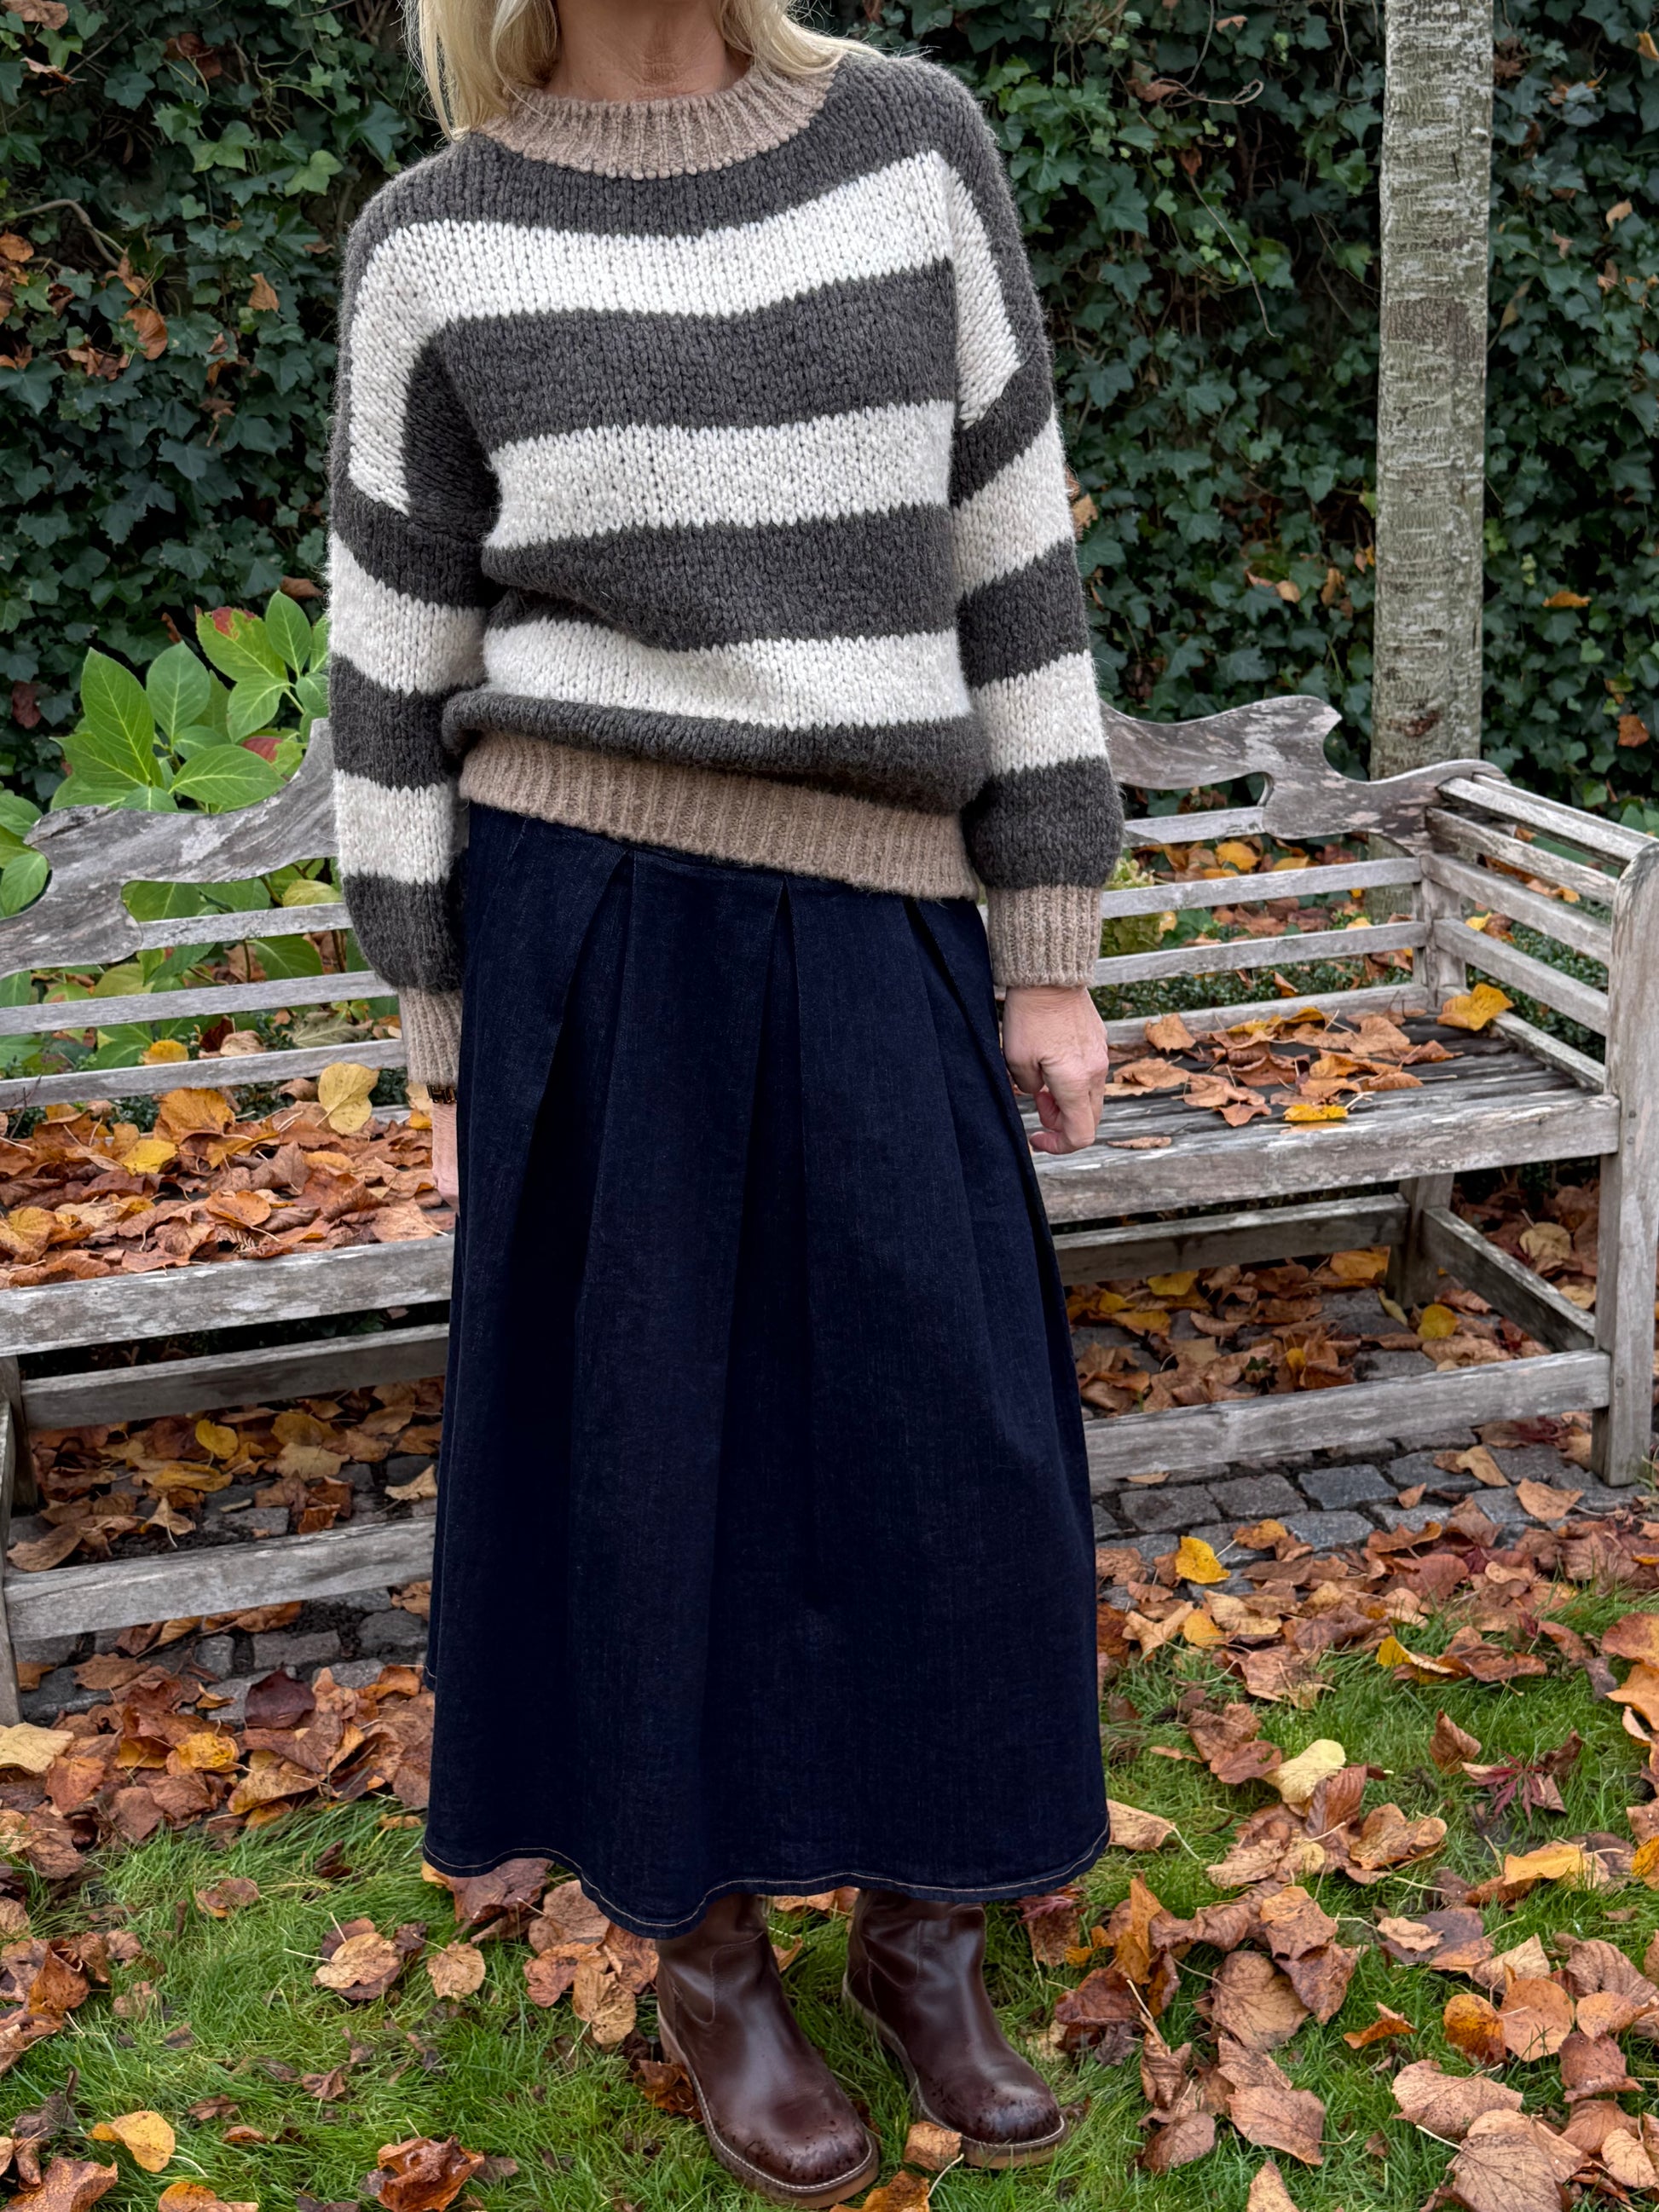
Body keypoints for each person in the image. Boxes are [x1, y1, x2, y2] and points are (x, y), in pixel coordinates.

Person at [326, 0, 1122, 2199]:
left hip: (886, 909)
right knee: (645, 1456)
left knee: (948, 1441)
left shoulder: (910, 144)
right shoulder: (437, 237)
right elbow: (390, 659)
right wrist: (442, 1031)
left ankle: (926, 1923)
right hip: (586, 929)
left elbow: (1013, 552)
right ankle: (706, 1952)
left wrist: (1049, 944)